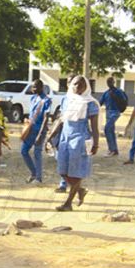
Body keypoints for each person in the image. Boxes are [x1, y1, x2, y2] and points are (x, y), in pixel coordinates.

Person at [50, 75, 100, 211]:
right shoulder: (66, 99)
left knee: (75, 172)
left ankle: (68, 203)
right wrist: (51, 136)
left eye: (81, 85)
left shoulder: (90, 103)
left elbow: (94, 126)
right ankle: (80, 190)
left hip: (80, 138)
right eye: (75, 84)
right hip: (65, 136)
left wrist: (96, 143)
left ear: (86, 87)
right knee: (62, 169)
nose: (78, 87)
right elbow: (61, 119)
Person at [21, 79, 51, 183]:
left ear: (41, 87)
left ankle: (38, 178)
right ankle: (34, 173)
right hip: (31, 129)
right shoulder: (33, 98)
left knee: (37, 152)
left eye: (35, 87)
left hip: (39, 130)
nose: (33, 89)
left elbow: (46, 119)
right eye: (32, 87)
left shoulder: (46, 100)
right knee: (24, 151)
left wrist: (40, 134)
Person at [98, 77, 127, 157]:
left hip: (115, 112)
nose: (109, 83)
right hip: (108, 112)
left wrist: (114, 96)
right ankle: (114, 150)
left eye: (110, 82)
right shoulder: (106, 93)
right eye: (108, 82)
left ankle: (111, 149)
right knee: (111, 131)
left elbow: (123, 101)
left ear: (113, 82)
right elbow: (100, 103)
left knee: (107, 129)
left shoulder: (118, 91)